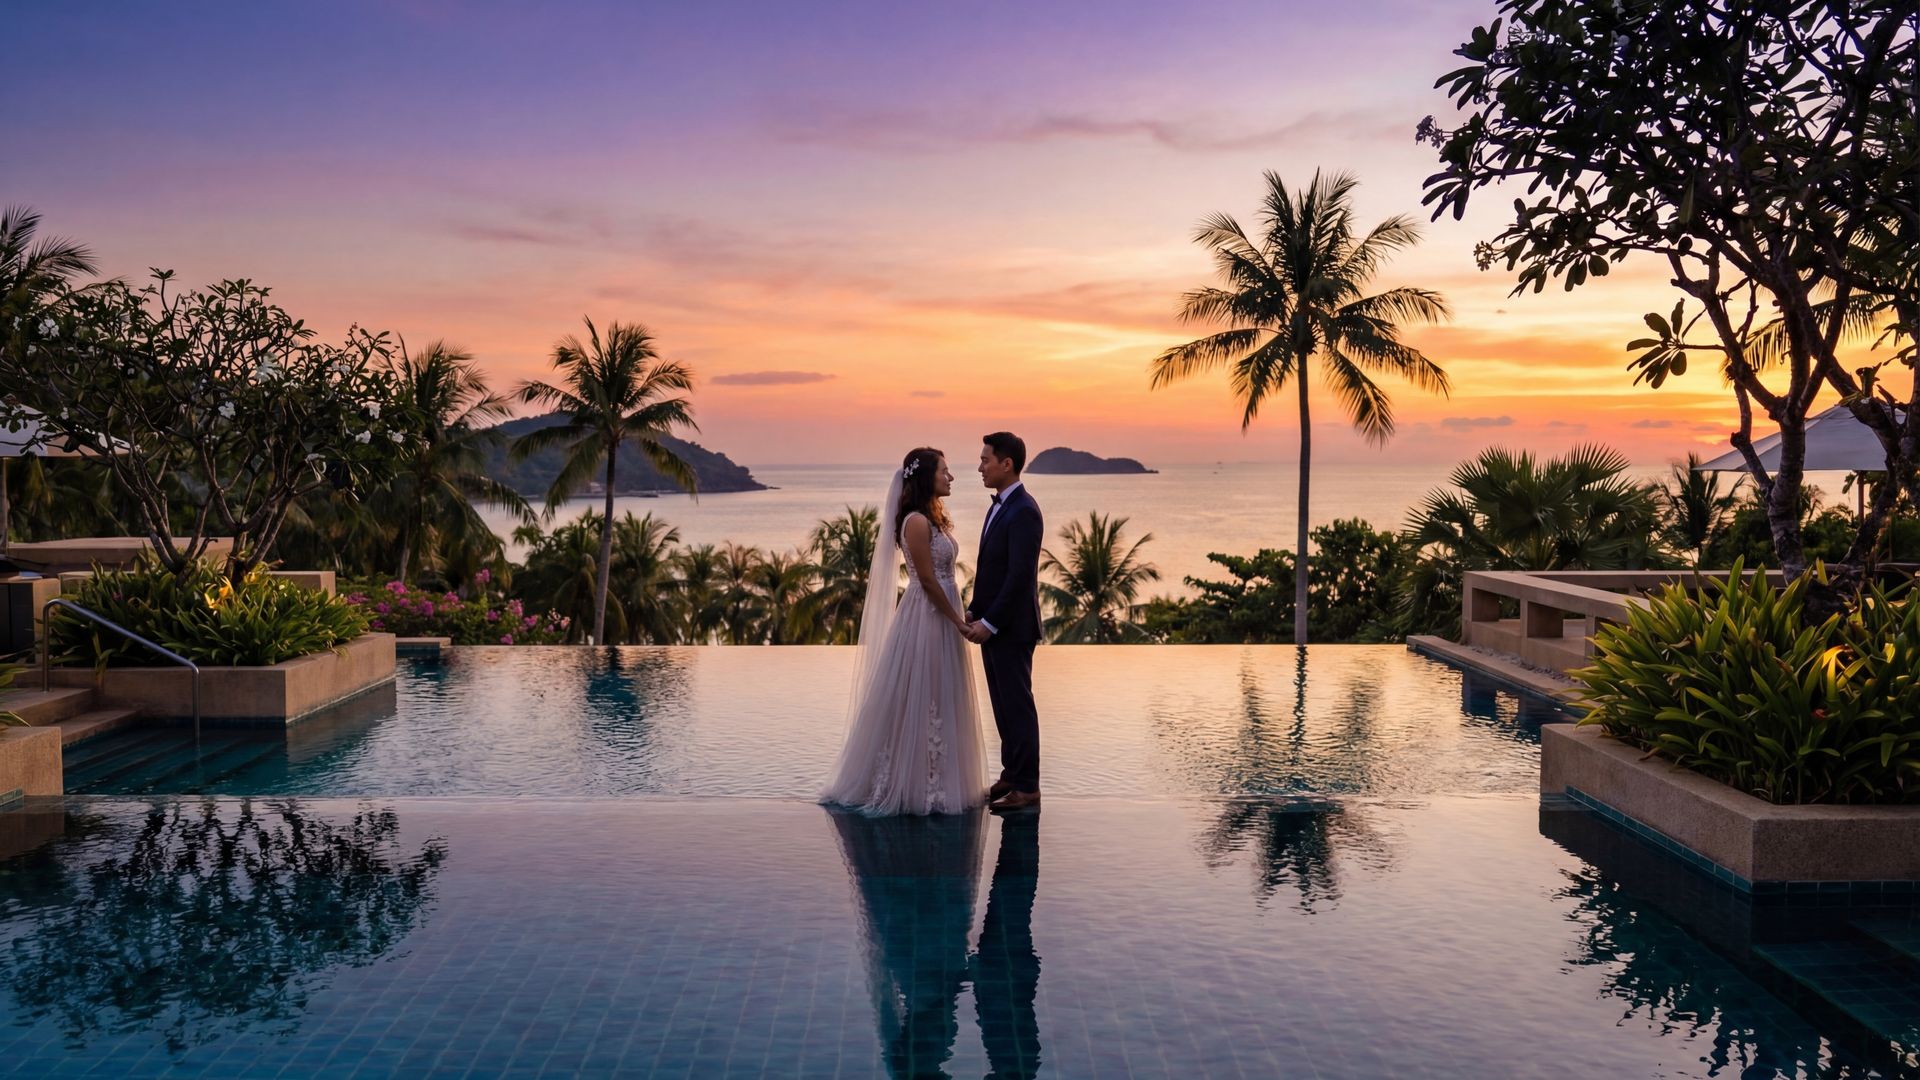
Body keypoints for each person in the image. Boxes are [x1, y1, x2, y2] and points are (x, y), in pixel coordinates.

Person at [820, 447, 988, 816]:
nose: (951, 476)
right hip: (928, 616)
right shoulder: (915, 521)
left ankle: (939, 776)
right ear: (926, 476)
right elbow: (926, 580)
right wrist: (957, 620)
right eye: (945, 470)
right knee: (923, 693)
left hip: (943, 611)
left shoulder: (935, 519)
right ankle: (912, 782)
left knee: (942, 693)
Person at [963, 431, 1045, 812]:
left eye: (985, 460)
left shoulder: (1025, 510)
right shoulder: (999, 507)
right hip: (994, 624)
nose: (980, 466)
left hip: (1012, 627)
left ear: (1006, 464)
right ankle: (1011, 774)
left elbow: (1019, 576)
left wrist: (991, 623)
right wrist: (975, 611)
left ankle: (1027, 786)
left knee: (1017, 704)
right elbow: (990, 571)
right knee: (1002, 704)